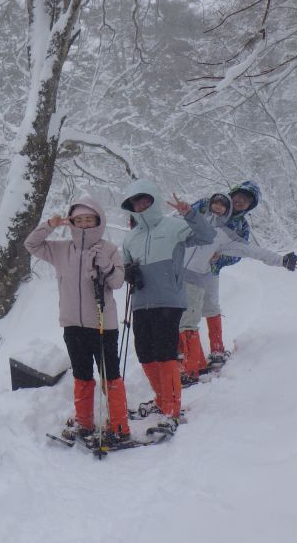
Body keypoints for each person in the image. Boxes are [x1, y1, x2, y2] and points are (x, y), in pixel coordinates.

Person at [24, 196, 131, 444]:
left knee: (110, 375)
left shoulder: (109, 249)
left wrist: (107, 266)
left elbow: (117, 283)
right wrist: (50, 224)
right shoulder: (60, 249)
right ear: (72, 222)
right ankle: (84, 423)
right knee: (82, 375)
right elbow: (31, 244)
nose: (84, 224)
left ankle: (119, 425)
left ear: (98, 221)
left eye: (89, 220)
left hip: (104, 324)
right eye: (79, 220)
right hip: (72, 324)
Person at [120, 178, 215, 431]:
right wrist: (128, 272)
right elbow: (122, 268)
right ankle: (162, 400)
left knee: (165, 354)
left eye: (144, 200)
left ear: (153, 200)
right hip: (141, 303)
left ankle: (172, 409)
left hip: (169, 300)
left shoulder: (174, 226)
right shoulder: (130, 239)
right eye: (134, 202)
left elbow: (207, 236)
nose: (139, 205)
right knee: (145, 353)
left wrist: (189, 213)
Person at [178, 192, 297, 383]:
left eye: (223, 205)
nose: (218, 207)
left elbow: (251, 250)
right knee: (176, 320)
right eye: (215, 203)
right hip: (173, 277)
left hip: (196, 279)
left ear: (228, 211)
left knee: (189, 322)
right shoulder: (194, 220)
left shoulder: (226, 235)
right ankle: (188, 361)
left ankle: (194, 368)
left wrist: (281, 260)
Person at [201, 180, 261, 360]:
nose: (241, 201)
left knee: (211, 307)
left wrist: (220, 258)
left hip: (211, 270)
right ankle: (182, 351)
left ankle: (217, 351)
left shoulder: (241, 225)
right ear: (232, 194)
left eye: (247, 200)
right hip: (186, 267)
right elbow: (183, 220)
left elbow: (239, 253)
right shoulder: (208, 204)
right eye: (239, 196)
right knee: (182, 309)